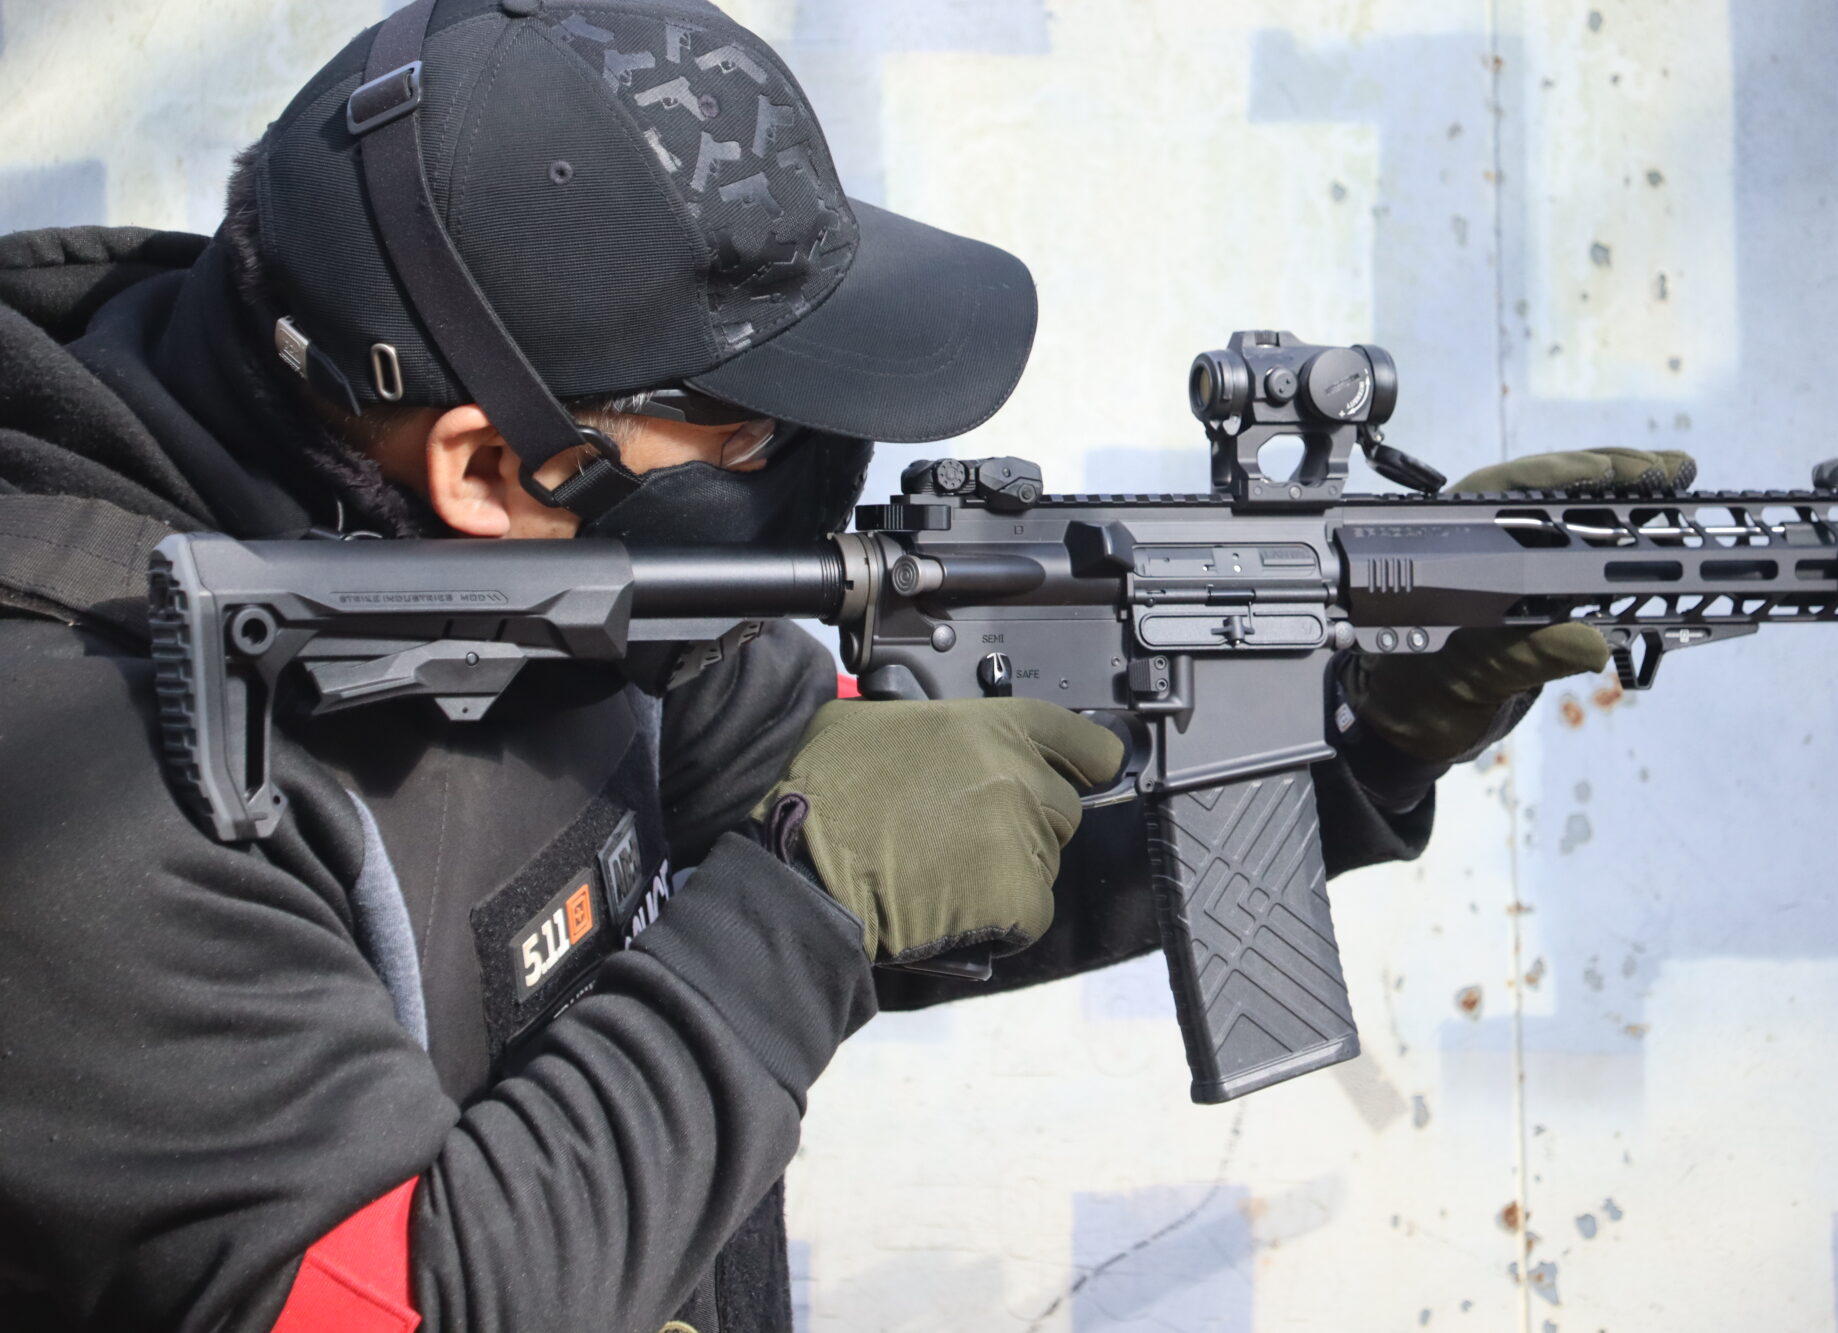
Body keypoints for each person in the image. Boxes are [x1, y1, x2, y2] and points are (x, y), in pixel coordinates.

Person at [0, 1, 1693, 1328]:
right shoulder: (75, 789)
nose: (829, 457)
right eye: (751, 422)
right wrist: (796, 905)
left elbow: (914, 834)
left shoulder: (533, 575)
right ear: (493, 464)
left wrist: (1348, 734)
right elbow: (404, 1301)